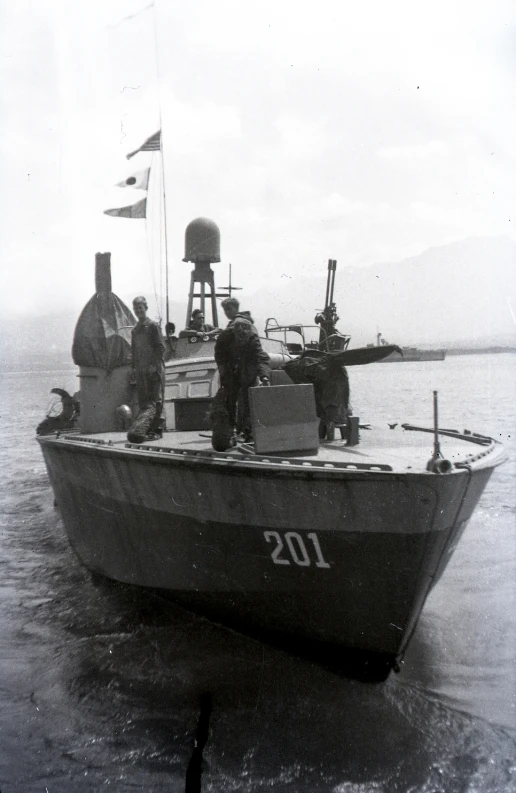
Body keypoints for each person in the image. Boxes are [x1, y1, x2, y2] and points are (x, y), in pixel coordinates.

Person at [214, 317, 270, 443]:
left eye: (244, 338)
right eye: (239, 337)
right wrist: (224, 373)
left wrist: (264, 376)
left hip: (247, 365)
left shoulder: (253, 338)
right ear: (234, 333)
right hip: (229, 366)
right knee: (229, 397)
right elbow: (219, 355)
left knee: (248, 397)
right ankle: (230, 430)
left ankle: (249, 431)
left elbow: (261, 358)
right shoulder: (224, 337)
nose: (241, 340)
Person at [128, 296, 165, 441]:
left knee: (156, 399)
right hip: (141, 369)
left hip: (154, 369)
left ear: (146, 308)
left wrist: (153, 365)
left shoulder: (153, 326)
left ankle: (157, 429)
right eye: (136, 308)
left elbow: (161, 347)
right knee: (144, 400)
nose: (138, 311)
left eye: (140, 308)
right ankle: (146, 428)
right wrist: (133, 369)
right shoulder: (135, 330)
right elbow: (134, 351)